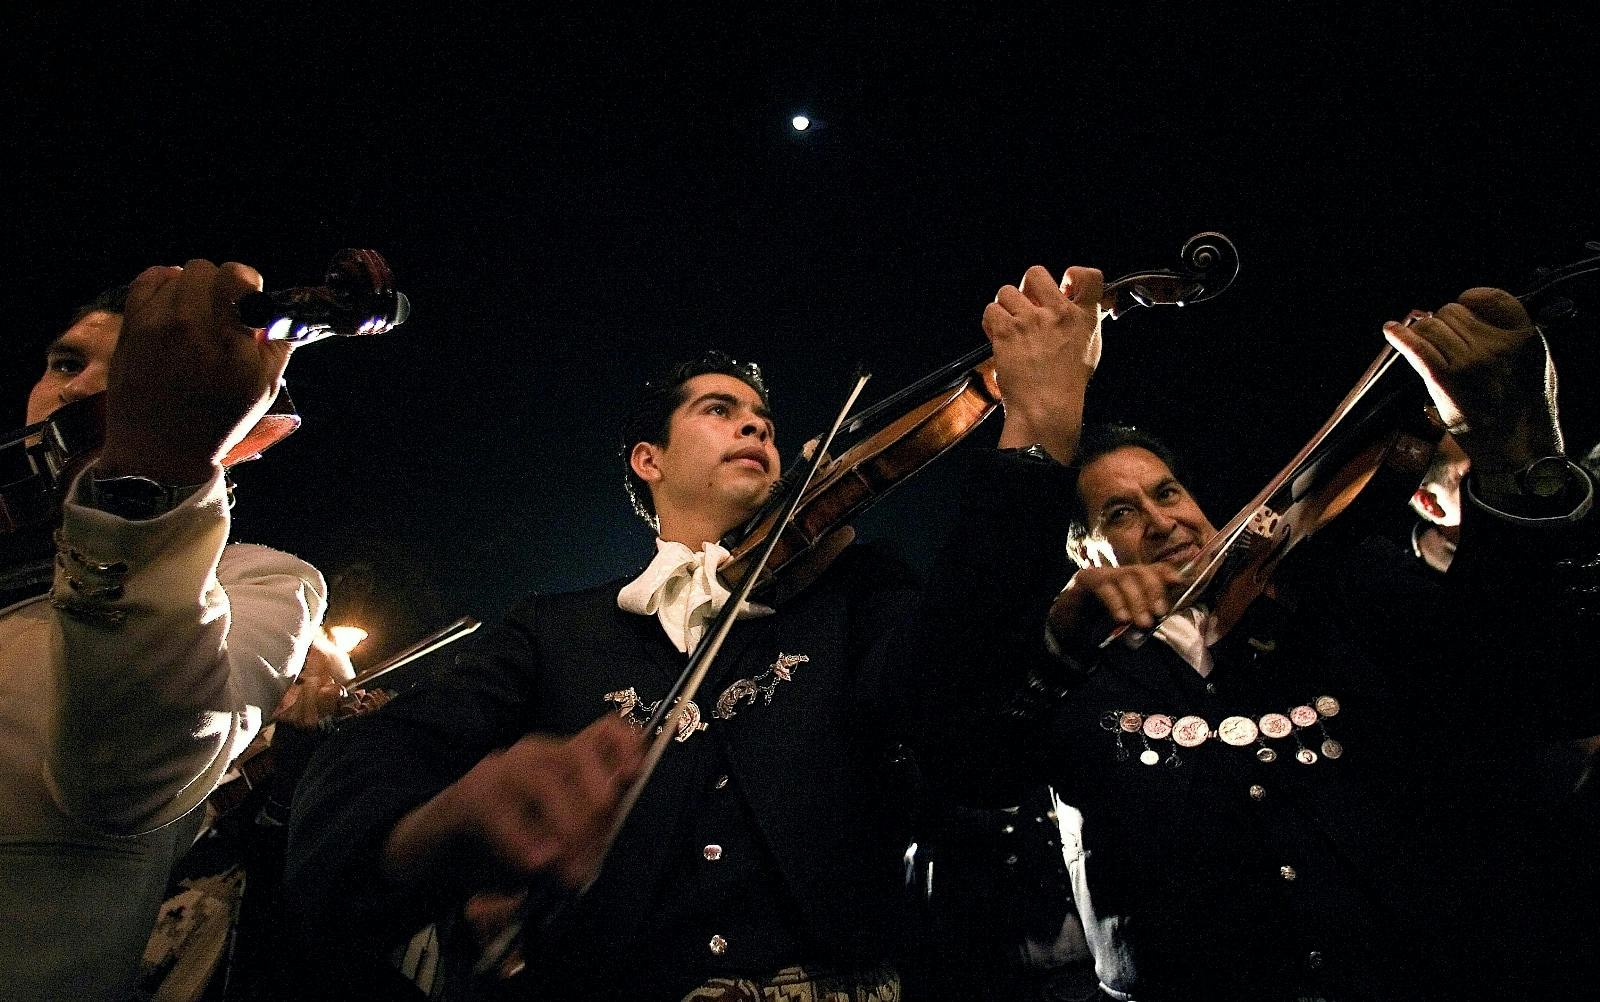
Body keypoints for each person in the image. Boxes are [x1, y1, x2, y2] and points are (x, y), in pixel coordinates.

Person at [285, 264, 1105, 999]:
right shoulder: (553, 627)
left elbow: (969, 722)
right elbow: (378, 755)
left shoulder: (856, 594)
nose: (758, 428)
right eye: (722, 411)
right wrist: (443, 822)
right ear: (650, 459)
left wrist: (1037, 437)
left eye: (765, 421)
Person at [946, 286, 1597, 1001]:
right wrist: (1059, 650)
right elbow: (974, 766)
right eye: (1121, 512)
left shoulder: (1330, 592)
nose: (1163, 522)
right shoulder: (1072, 664)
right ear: (1083, 553)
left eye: (1168, 494)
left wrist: (1516, 455)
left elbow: (1529, 686)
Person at [0, 263, 328, 1000]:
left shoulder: (266, 581)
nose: (79, 389)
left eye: (135, 376)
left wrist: (151, 475)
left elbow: (131, 777)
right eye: (64, 363)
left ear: (243, 437)